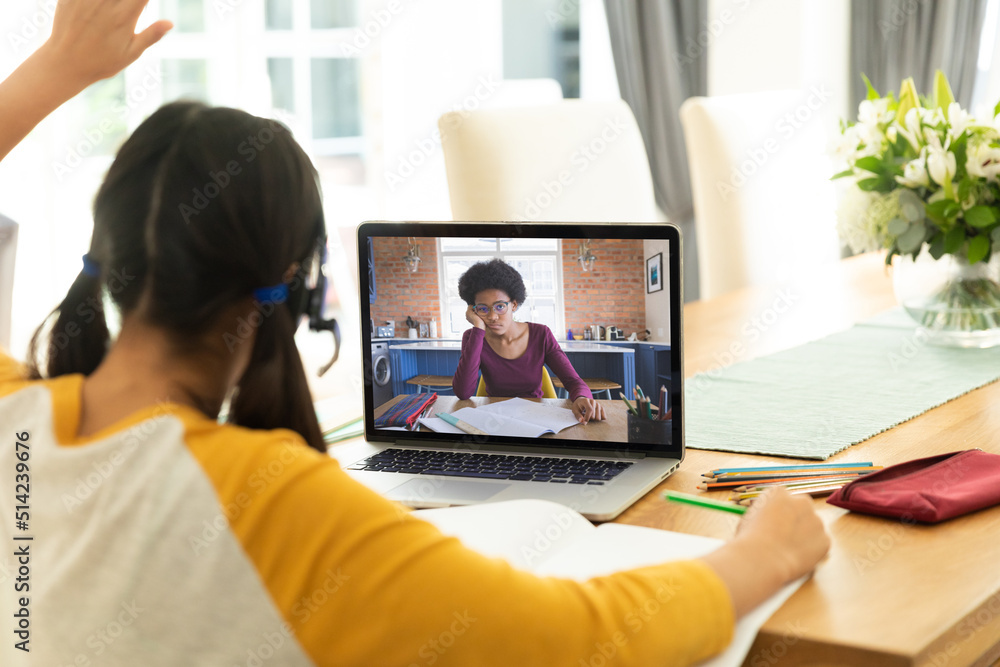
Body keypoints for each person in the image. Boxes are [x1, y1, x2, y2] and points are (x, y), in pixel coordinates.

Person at [0, 2, 830, 665]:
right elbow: (577, 640)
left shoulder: (16, 420)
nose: (493, 317)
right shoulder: (271, 504)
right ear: (299, 283)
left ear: (104, 256)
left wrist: (53, 71)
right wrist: (758, 556)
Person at [453, 258, 606, 423]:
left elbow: (573, 381)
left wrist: (581, 397)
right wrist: (477, 328)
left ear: (514, 305)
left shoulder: (541, 334)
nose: (492, 317)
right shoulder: (473, 336)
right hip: (495, 419)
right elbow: (463, 392)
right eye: (483, 309)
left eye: (500, 306)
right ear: (473, 311)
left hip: (536, 419)